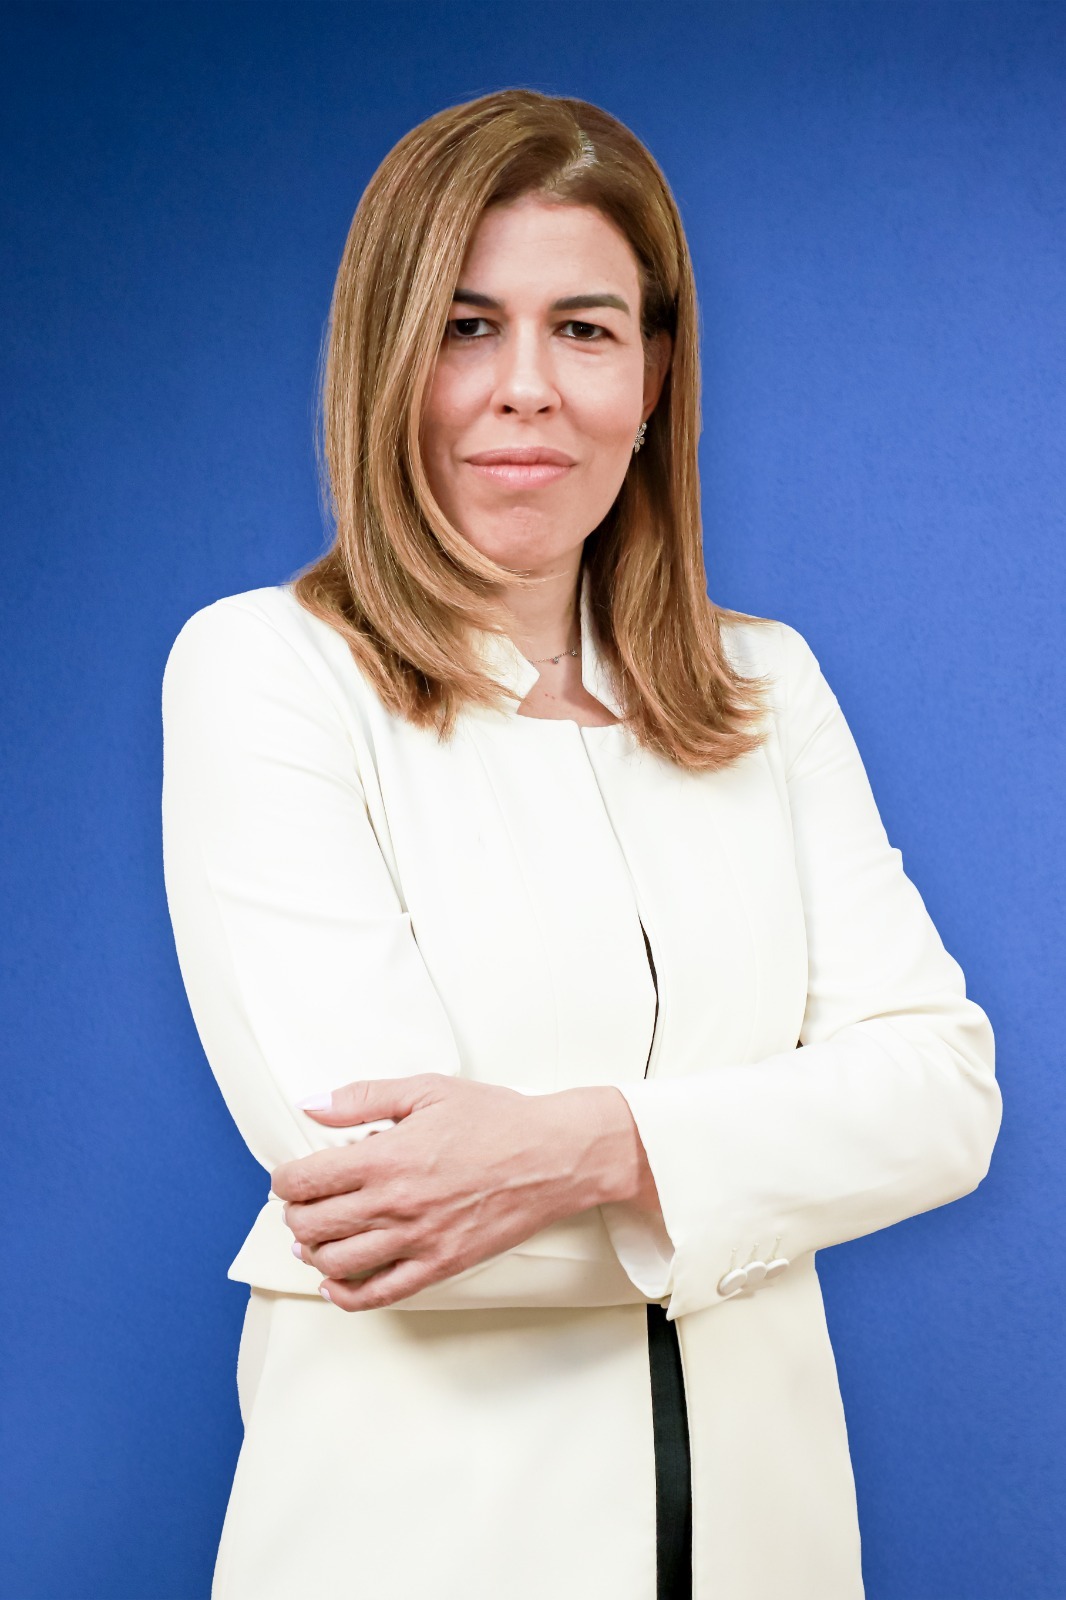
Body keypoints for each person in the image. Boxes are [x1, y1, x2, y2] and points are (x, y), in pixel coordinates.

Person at [160, 88, 1002, 1600]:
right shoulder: (268, 670)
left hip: (770, 1553)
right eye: (467, 327)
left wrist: (580, 1149)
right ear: (385, 360)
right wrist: (776, 1169)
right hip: (412, 1553)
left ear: (654, 373)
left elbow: (942, 1097)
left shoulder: (762, 686)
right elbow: (379, 1205)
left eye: (586, 329)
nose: (527, 389)